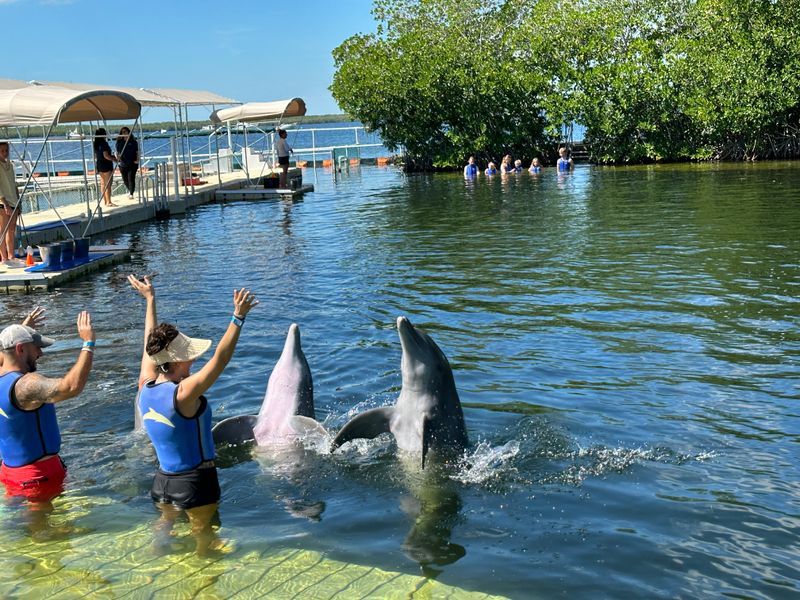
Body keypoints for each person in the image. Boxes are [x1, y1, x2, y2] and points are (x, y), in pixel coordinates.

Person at [128, 274, 258, 555]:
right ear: (175, 360)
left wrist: (150, 300)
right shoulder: (184, 394)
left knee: (163, 529)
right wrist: (238, 318)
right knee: (206, 544)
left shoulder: (145, 388)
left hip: (162, 483)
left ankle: (153, 570)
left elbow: (148, 345)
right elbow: (220, 359)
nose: (193, 357)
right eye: (188, 354)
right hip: (196, 484)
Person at [0, 311, 96, 511]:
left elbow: (6, 353)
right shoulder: (26, 385)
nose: (40, 354)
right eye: (36, 348)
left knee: (22, 533)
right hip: (37, 479)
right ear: (20, 349)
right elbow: (70, 387)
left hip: (10, 473)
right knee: (50, 538)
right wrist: (88, 343)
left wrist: (23, 328)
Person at [0, 141, 20, 262]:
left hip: (13, 200)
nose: (5, 153)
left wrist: (18, 201)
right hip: (3, 202)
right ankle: (4, 257)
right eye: (2, 151)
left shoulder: (10, 165)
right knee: (2, 230)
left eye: (6, 150)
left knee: (12, 229)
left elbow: (13, 183)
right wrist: (5, 203)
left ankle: (11, 255)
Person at [93, 128, 118, 207]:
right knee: (108, 184)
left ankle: (105, 201)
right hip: (106, 164)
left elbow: (96, 155)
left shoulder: (95, 143)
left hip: (99, 164)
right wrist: (115, 159)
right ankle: (109, 201)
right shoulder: (104, 143)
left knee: (103, 183)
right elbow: (106, 156)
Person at [115, 127, 139, 200]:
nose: (124, 133)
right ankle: (130, 190)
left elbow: (137, 152)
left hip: (132, 163)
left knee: (131, 178)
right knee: (125, 179)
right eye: (123, 132)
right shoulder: (119, 142)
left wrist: (137, 160)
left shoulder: (133, 142)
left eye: (126, 132)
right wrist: (117, 158)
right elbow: (117, 152)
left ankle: (131, 193)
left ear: (129, 133)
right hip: (123, 164)